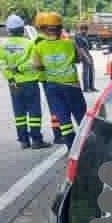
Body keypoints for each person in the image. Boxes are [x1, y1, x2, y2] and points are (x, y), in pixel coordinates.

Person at [0, 14, 52, 150]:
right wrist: (20, 68)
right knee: (34, 112)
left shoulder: (3, 45)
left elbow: (1, 64)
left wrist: (10, 77)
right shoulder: (29, 43)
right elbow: (33, 62)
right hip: (30, 82)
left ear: (8, 30)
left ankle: (23, 141)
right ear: (22, 29)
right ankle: (36, 140)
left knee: (19, 112)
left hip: (13, 83)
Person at [32, 11, 88, 147]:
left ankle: (71, 146)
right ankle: (87, 144)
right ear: (59, 28)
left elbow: (38, 66)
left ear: (43, 29)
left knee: (63, 118)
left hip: (52, 86)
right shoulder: (69, 44)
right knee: (81, 116)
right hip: (71, 85)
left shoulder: (38, 47)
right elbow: (79, 59)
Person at [74, 23, 97, 93]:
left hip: (88, 53)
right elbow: (81, 48)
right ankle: (86, 88)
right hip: (83, 55)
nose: (85, 31)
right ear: (81, 29)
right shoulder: (78, 36)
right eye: (84, 30)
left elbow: (89, 46)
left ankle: (92, 87)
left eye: (86, 30)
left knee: (91, 71)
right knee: (86, 72)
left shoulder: (85, 36)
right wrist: (86, 58)